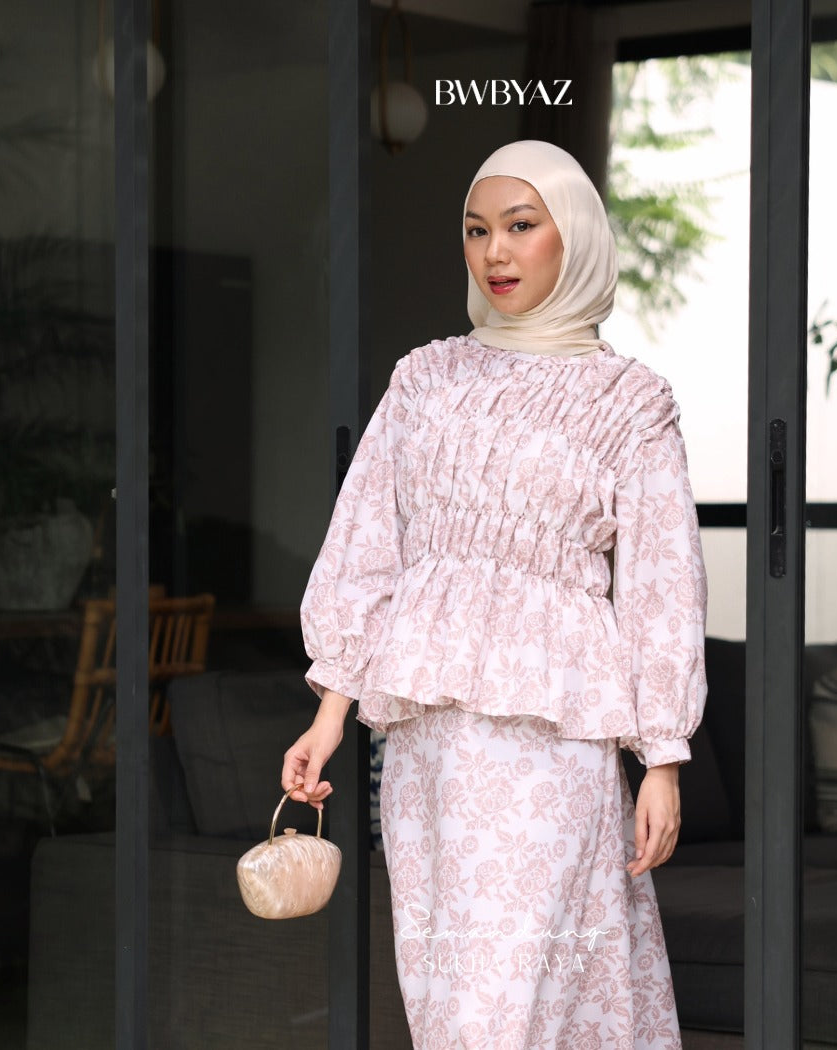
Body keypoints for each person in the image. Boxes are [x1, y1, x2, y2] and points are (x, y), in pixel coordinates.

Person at [282, 139, 707, 1049]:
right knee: (448, 1002)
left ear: (576, 237)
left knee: (505, 1003)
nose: (496, 254)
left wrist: (662, 756)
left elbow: (665, 588)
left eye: (522, 226)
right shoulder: (425, 379)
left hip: (551, 752)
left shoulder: (629, 403)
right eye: (477, 231)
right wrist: (330, 713)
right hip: (429, 752)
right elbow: (365, 550)